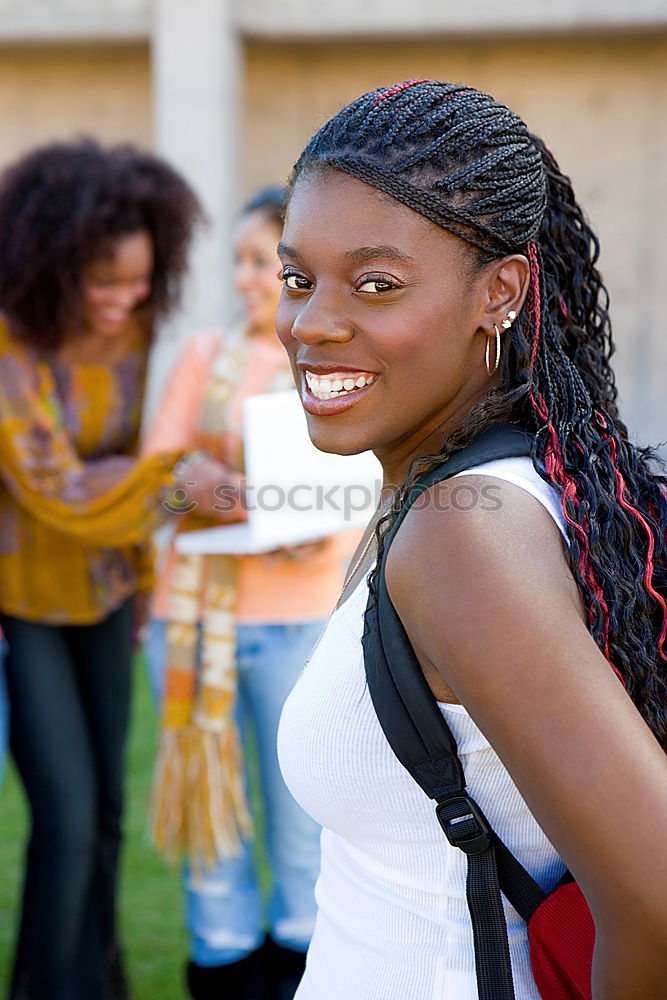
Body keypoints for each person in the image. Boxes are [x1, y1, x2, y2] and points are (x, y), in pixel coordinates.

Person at [274, 81, 667, 999]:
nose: (311, 323)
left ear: (499, 292)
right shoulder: (486, 492)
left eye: (376, 283)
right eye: (299, 278)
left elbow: (652, 898)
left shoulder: (462, 540)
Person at [0, 138, 202, 1000]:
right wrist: (180, 485)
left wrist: (146, 569)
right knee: (69, 818)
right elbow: (57, 490)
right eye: (105, 283)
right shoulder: (10, 346)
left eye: (141, 282)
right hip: (28, 599)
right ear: (49, 265)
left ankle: (99, 982)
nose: (126, 300)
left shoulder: (134, 331)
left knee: (112, 818)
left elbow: (123, 463)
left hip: (111, 595)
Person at [143, 187, 353, 1000]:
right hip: (192, 624)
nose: (241, 279)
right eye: (233, 261)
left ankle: (305, 971)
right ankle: (223, 964)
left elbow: (349, 495)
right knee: (211, 830)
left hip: (299, 621)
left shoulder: (333, 359)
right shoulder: (202, 359)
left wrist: (254, 503)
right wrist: (187, 487)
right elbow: (154, 490)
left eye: (259, 262)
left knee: (304, 827)